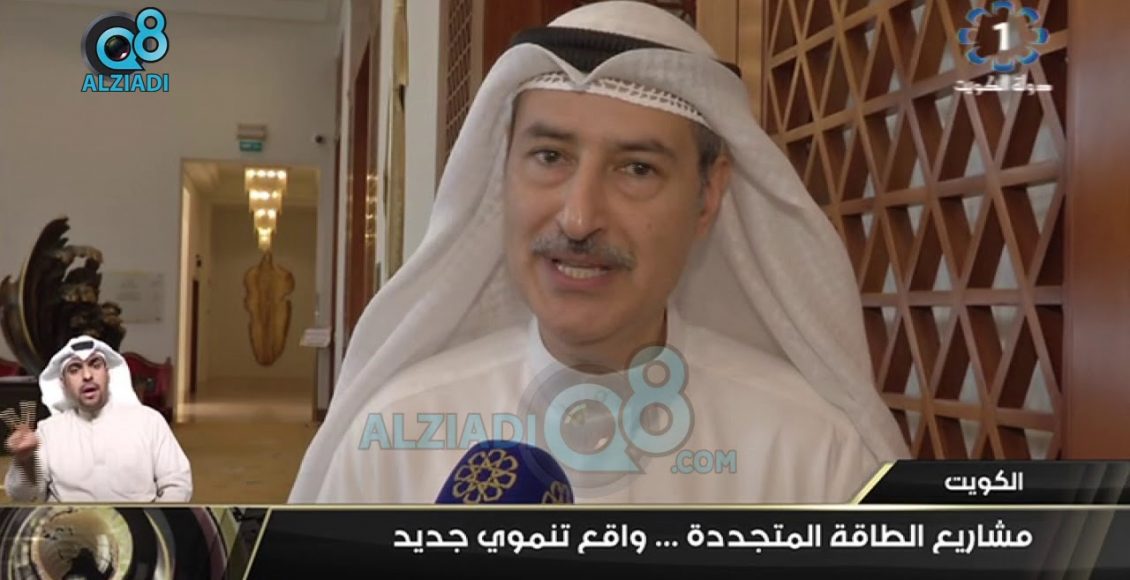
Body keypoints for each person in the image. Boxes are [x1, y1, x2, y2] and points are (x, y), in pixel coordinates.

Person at [289, 0, 909, 504]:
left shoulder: (817, 453)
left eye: (637, 168)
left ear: (708, 196)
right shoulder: (391, 437)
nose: (579, 218)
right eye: (550, 157)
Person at [3, 335, 193, 502]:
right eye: (75, 369)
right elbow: (25, 496)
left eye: (95, 365)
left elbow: (177, 483)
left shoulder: (148, 421)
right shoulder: (48, 431)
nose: (87, 376)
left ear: (108, 373)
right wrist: (24, 461)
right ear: (63, 383)